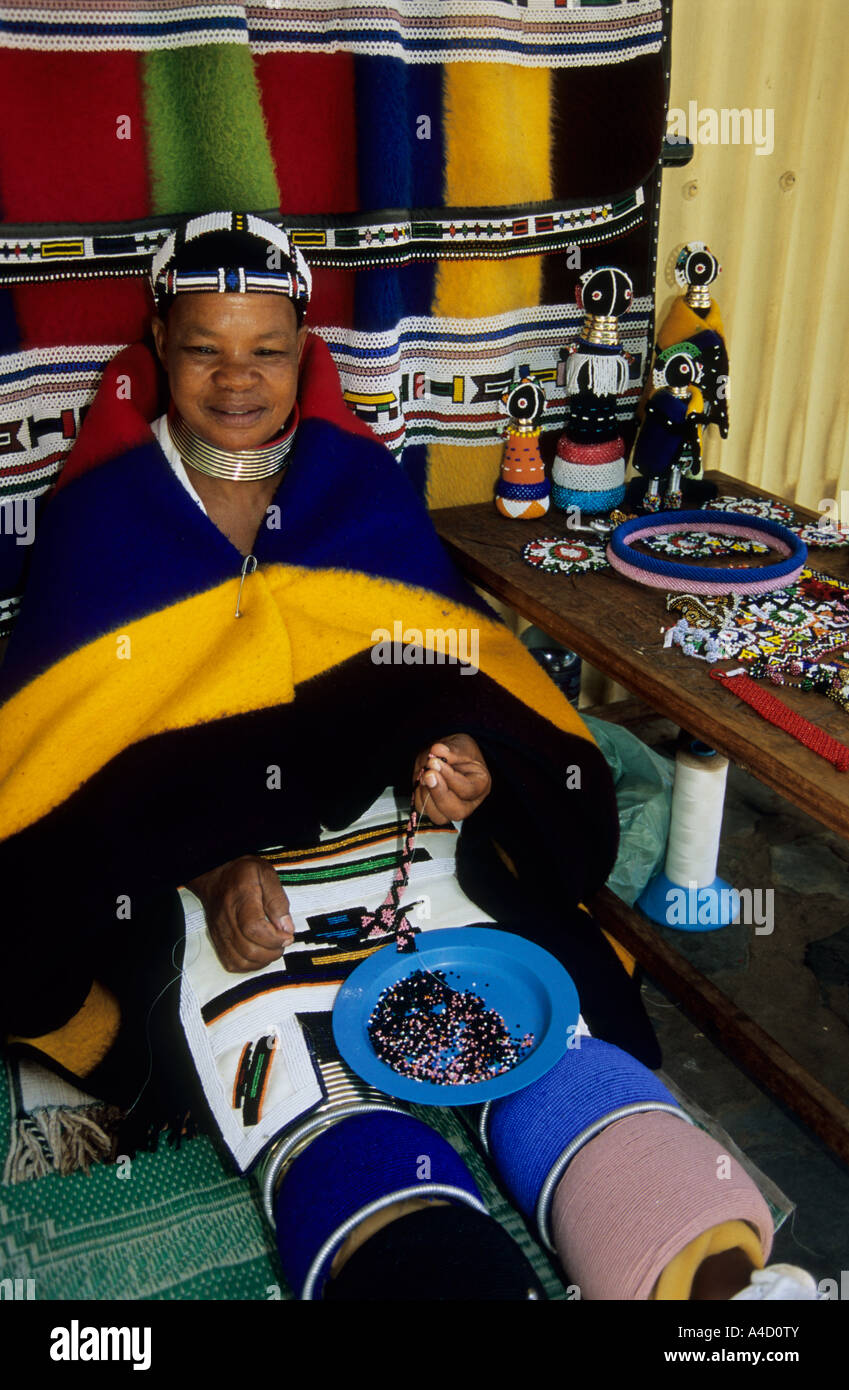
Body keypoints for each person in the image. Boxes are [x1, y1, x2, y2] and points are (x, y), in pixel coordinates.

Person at [0, 210, 688, 1300]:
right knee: (281, 1072)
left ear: (305, 348)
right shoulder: (106, 515)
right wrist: (207, 865)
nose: (238, 379)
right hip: (206, 893)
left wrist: (471, 759)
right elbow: (64, 777)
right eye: (203, 349)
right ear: (157, 343)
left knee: (542, 1032)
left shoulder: (355, 488)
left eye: (267, 349)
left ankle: (704, 1272)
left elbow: (457, 671)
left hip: (399, 844)